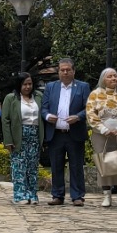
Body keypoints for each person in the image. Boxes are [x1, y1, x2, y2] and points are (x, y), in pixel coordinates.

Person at [41, 58, 91, 206]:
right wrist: (48, 116)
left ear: (73, 71)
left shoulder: (82, 87)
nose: (65, 72)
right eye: (62, 70)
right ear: (58, 72)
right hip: (56, 133)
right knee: (56, 165)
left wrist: (78, 117)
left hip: (74, 132)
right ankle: (57, 195)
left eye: (68, 70)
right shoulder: (51, 87)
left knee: (76, 165)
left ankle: (77, 196)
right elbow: (44, 108)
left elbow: (89, 108)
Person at [86, 68, 117, 207]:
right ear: (103, 79)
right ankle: (106, 195)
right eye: (109, 76)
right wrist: (103, 129)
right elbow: (90, 113)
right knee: (103, 163)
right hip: (101, 135)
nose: (113, 79)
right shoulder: (95, 94)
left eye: (115, 76)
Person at [2, 72, 42, 205]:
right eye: (24, 84)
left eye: (29, 84)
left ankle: (32, 194)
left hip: (34, 134)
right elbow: (5, 120)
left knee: (32, 167)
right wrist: (8, 140)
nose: (27, 87)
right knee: (19, 166)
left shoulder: (38, 96)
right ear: (19, 85)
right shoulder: (11, 98)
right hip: (18, 135)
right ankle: (20, 195)